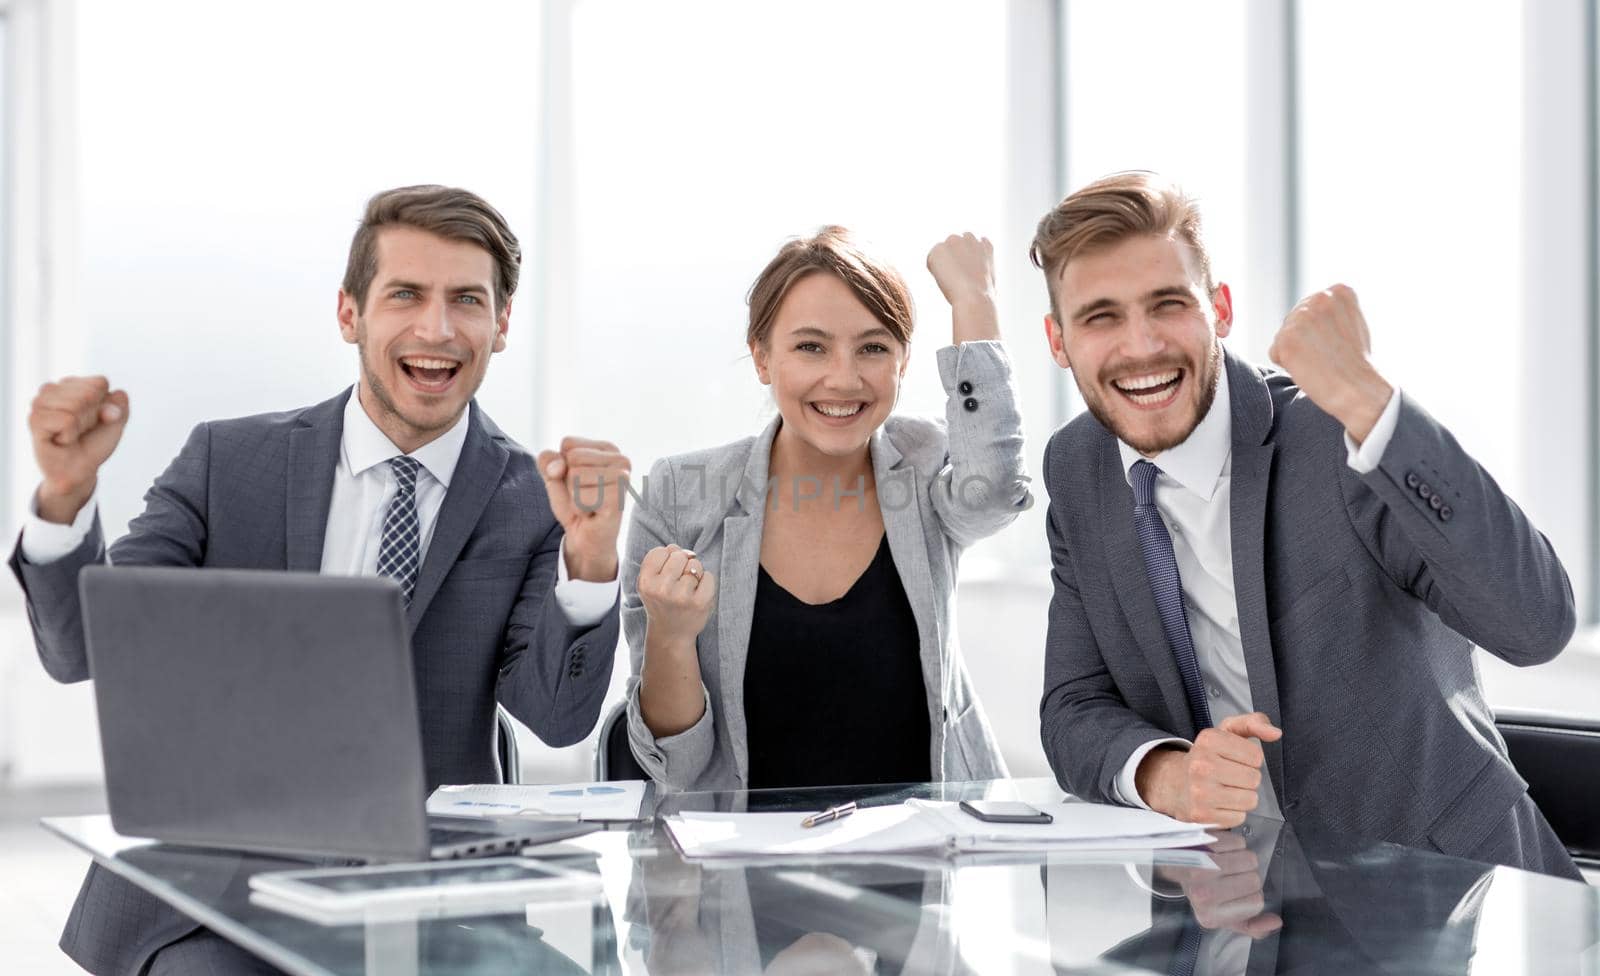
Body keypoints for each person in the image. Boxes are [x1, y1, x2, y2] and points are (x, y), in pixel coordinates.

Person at [8, 185, 629, 973]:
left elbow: (559, 717)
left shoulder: (534, 504)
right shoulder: (226, 463)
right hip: (222, 897)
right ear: (349, 314)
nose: (436, 329)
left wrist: (593, 560)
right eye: (406, 294)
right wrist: (64, 498)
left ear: (501, 324)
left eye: (467, 300)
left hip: (443, 900)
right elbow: (82, 652)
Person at [1033, 171, 1580, 879]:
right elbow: (1073, 707)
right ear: (1058, 340)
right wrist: (1168, 775)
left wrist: (1370, 400)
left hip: (1455, 895)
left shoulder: (1335, 437)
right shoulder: (1078, 469)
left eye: (1167, 304)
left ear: (1220, 309)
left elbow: (1535, 625)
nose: (1140, 346)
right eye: (1100, 316)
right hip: (1240, 911)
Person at [620, 227, 1031, 791]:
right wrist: (670, 635)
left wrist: (974, 302)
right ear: (762, 357)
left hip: (925, 849)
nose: (844, 378)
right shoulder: (679, 494)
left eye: (873, 347)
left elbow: (997, 492)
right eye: (810, 346)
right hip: (742, 857)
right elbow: (678, 766)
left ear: (903, 362)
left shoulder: (928, 463)